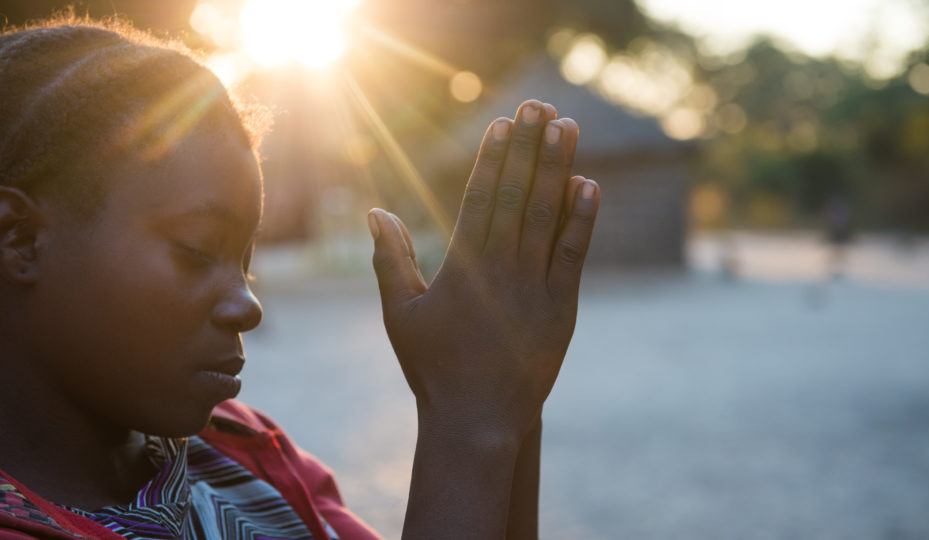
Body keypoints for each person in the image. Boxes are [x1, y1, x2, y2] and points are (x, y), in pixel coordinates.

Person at [0, 14, 600, 540]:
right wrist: (468, 426)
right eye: (195, 249)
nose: (248, 305)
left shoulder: (247, 452)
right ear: (19, 239)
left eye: (246, 260)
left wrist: (506, 399)